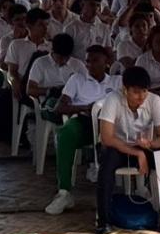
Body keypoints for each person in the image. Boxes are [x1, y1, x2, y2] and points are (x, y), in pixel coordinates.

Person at [95, 66, 160, 234]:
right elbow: (107, 138)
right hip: (117, 146)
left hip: (143, 146)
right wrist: (138, 153)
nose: (141, 97)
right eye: (136, 92)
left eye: (144, 91)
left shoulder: (155, 101)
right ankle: (103, 221)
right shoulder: (113, 99)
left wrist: (150, 144)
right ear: (125, 89)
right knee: (107, 165)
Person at [44, 45, 120, 215]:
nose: (90, 65)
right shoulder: (77, 79)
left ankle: (131, 191)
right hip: (84, 122)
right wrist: (86, 108)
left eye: (95, 60)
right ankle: (64, 192)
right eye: (88, 61)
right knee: (64, 133)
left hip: (110, 126)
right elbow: (59, 107)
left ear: (106, 62)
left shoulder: (117, 82)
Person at [2, 8, 50, 100]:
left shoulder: (51, 47)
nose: (45, 28)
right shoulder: (17, 45)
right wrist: (14, 82)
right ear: (29, 26)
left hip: (46, 88)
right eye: (40, 25)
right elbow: (12, 71)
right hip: (24, 87)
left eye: (46, 24)